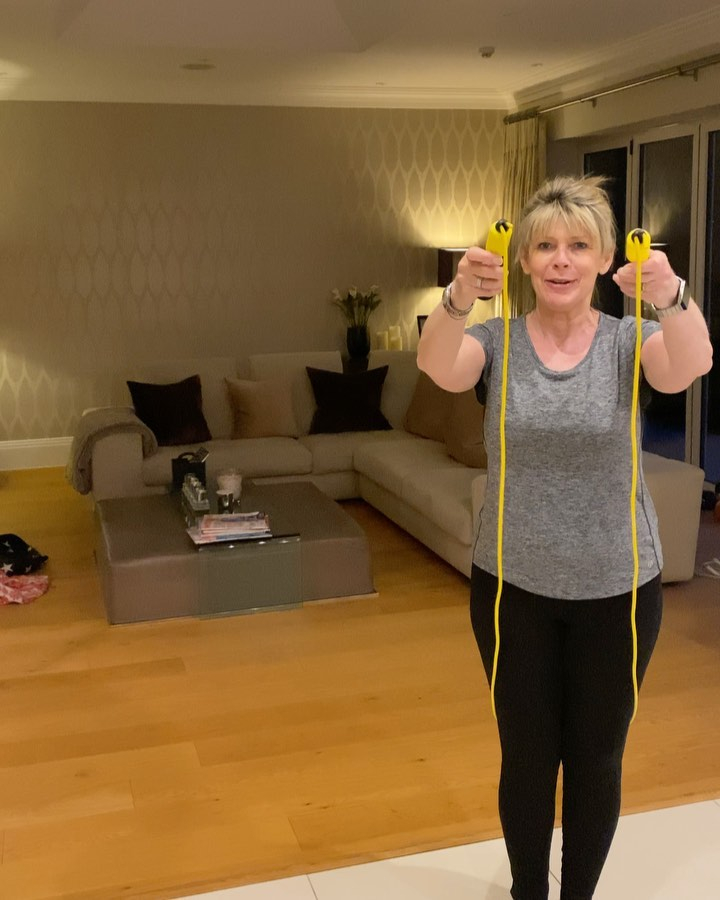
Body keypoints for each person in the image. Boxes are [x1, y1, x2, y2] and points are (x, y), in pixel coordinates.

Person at [417, 174, 713, 900]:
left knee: (595, 759)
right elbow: (436, 363)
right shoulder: (494, 342)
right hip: (511, 588)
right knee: (525, 758)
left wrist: (672, 296)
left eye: (578, 246)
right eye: (544, 245)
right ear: (520, 259)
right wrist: (458, 295)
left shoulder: (630, 342)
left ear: (605, 257)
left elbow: (692, 363)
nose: (559, 259)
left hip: (620, 589)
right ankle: (528, 893)